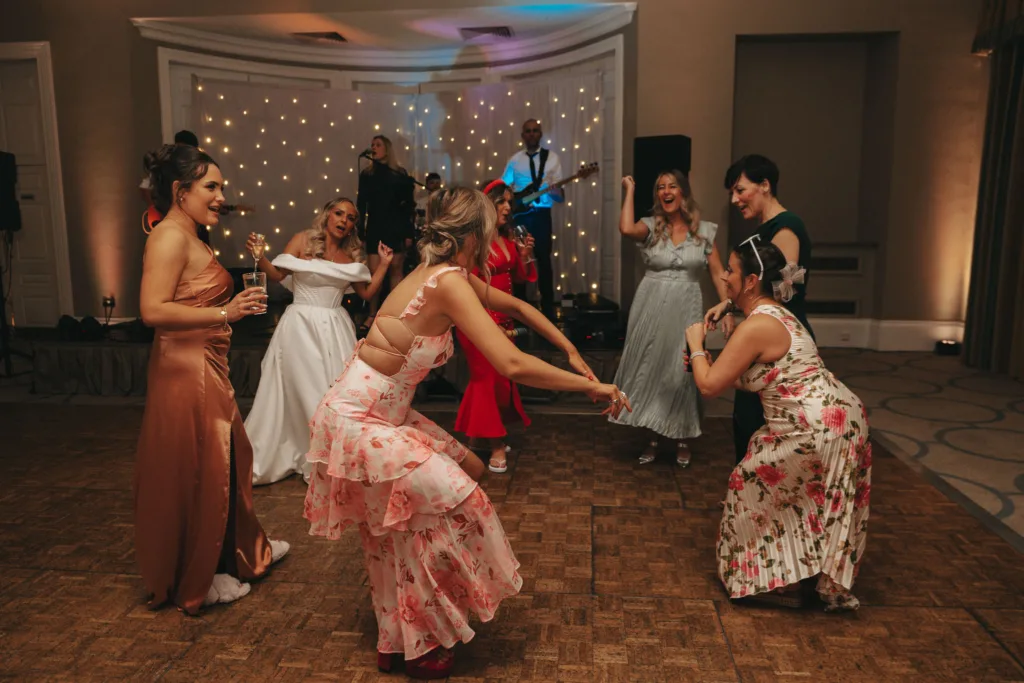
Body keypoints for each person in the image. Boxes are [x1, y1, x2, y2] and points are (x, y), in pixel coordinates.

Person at [303, 187, 630, 679]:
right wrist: (592, 385)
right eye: (491, 231)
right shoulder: (446, 282)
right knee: (456, 502)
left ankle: (398, 641)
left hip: (382, 416)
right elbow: (511, 361)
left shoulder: (444, 276)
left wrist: (572, 351)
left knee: (450, 485)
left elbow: (518, 309)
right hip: (358, 419)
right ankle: (422, 638)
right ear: (474, 235)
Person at [135, 143, 289, 615]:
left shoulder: (192, 234)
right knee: (208, 465)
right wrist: (227, 310)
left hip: (204, 363)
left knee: (226, 458)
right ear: (181, 192)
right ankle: (209, 574)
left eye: (221, 187)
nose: (222, 196)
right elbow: (151, 311)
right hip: (187, 370)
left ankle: (244, 549)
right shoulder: (168, 238)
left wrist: (225, 315)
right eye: (212, 187)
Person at [686, 240, 870, 612]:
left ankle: (772, 583)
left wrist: (695, 345)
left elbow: (709, 386)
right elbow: (750, 376)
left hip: (817, 426)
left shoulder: (759, 325)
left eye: (731, 271)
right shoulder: (776, 313)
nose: (723, 275)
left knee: (748, 482)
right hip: (838, 418)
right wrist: (709, 352)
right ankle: (793, 574)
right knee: (808, 496)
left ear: (751, 280)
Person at [243, 197, 394, 485]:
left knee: (334, 396)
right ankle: (313, 455)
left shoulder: (351, 258)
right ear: (327, 215)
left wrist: (385, 264)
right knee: (306, 391)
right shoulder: (302, 240)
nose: (343, 220)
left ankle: (325, 456)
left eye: (350, 217)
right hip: (300, 328)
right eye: (338, 213)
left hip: (336, 328)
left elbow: (366, 293)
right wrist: (259, 255)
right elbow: (276, 275)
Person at [610, 172, 731, 467]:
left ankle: (682, 436)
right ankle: (652, 436)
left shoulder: (704, 231)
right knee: (651, 367)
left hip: (686, 306)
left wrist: (728, 306)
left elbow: (717, 272)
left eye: (672, 186)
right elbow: (625, 228)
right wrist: (629, 189)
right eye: (660, 187)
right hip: (650, 305)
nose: (665, 191)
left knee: (682, 371)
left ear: (683, 193)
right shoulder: (651, 227)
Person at [706, 155, 814, 465]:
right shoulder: (764, 230)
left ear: (764, 185)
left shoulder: (786, 226)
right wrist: (728, 305)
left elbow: (784, 290)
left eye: (740, 190)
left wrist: (736, 309)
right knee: (747, 418)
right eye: (732, 192)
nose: (735, 199)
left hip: (778, 342)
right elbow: (756, 286)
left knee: (767, 427)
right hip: (763, 334)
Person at [454, 179, 547, 473]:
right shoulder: (472, 242)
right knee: (486, 379)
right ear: (487, 205)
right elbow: (463, 284)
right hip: (479, 320)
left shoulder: (507, 240)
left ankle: (474, 439)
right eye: (502, 202)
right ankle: (495, 443)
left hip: (505, 321)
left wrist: (524, 257)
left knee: (499, 380)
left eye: (510, 202)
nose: (508, 207)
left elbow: (520, 279)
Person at [501, 119, 563, 315]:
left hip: (542, 216)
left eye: (535, 131)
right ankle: (520, 305)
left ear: (541, 134)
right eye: (528, 131)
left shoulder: (552, 158)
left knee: (544, 259)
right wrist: (513, 201)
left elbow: (559, 197)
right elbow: (503, 187)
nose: (531, 134)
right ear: (522, 135)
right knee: (519, 258)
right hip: (520, 218)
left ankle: (547, 306)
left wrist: (554, 191)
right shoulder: (515, 160)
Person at [357, 135, 416, 332]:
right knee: (374, 273)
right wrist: (360, 230)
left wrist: (408, 232)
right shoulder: (367, 174)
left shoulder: (399, 174)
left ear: (387, 149)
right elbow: (361, 204)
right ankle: (372, 314)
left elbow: (408, 206)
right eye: (372, 144)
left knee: (395, 271)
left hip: (395, 226)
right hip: (375, 226)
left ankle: (394, 314)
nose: (373, 147)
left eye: (378, 144)